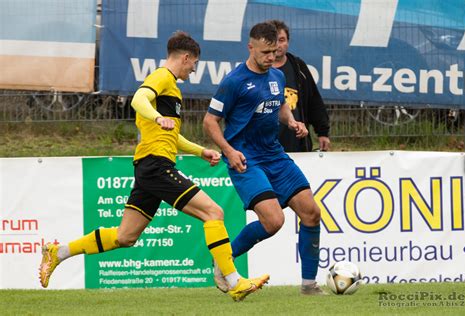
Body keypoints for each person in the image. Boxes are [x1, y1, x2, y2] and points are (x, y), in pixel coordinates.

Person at [39, 31, 269, 302]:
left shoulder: (172, 87)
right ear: (185, 58)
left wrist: (200, 151)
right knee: (213, 212)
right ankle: (233, 281)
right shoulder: (162, 77)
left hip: (150, 167)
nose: (194, 69)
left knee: (125, 236)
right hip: (156, 166)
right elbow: (138, 100)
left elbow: (171, 134)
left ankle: (60, 252)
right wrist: (159, 117)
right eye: (194, 63)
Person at [203, 22, 325, 295]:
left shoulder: (277, 76)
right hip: (246, 159)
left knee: (311, 213)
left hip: (275, 155)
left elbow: (279, 105)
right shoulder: (234, 81)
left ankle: (309, 285)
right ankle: (225, 259)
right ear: (251, 47)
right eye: (266, 52)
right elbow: (210, 122)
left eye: (275, 51)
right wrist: (229, 151)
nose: (272, 57)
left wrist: (293, 122)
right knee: (273, 221)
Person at [267, 19, 330, 152]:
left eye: (282, 40)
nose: (278, 45)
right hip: (265, 144)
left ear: (288, 42)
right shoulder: (257, 69)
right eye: (274, 40)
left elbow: (314, 100)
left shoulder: (298, 66)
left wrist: (323, 132)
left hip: (295, 143)